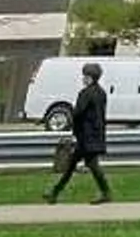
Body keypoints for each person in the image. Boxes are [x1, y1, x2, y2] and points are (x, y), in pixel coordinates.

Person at [43, 63, 109, 206]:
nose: (83, 79)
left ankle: (106, 192)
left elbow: (78, 113)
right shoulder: (101, 93)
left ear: (90, 78)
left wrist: (74, 129)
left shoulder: (85, 93)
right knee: (73, 164)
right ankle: (54, 192)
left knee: (89, 165)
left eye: (85, 76)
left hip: (86, 136)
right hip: (96, 134)